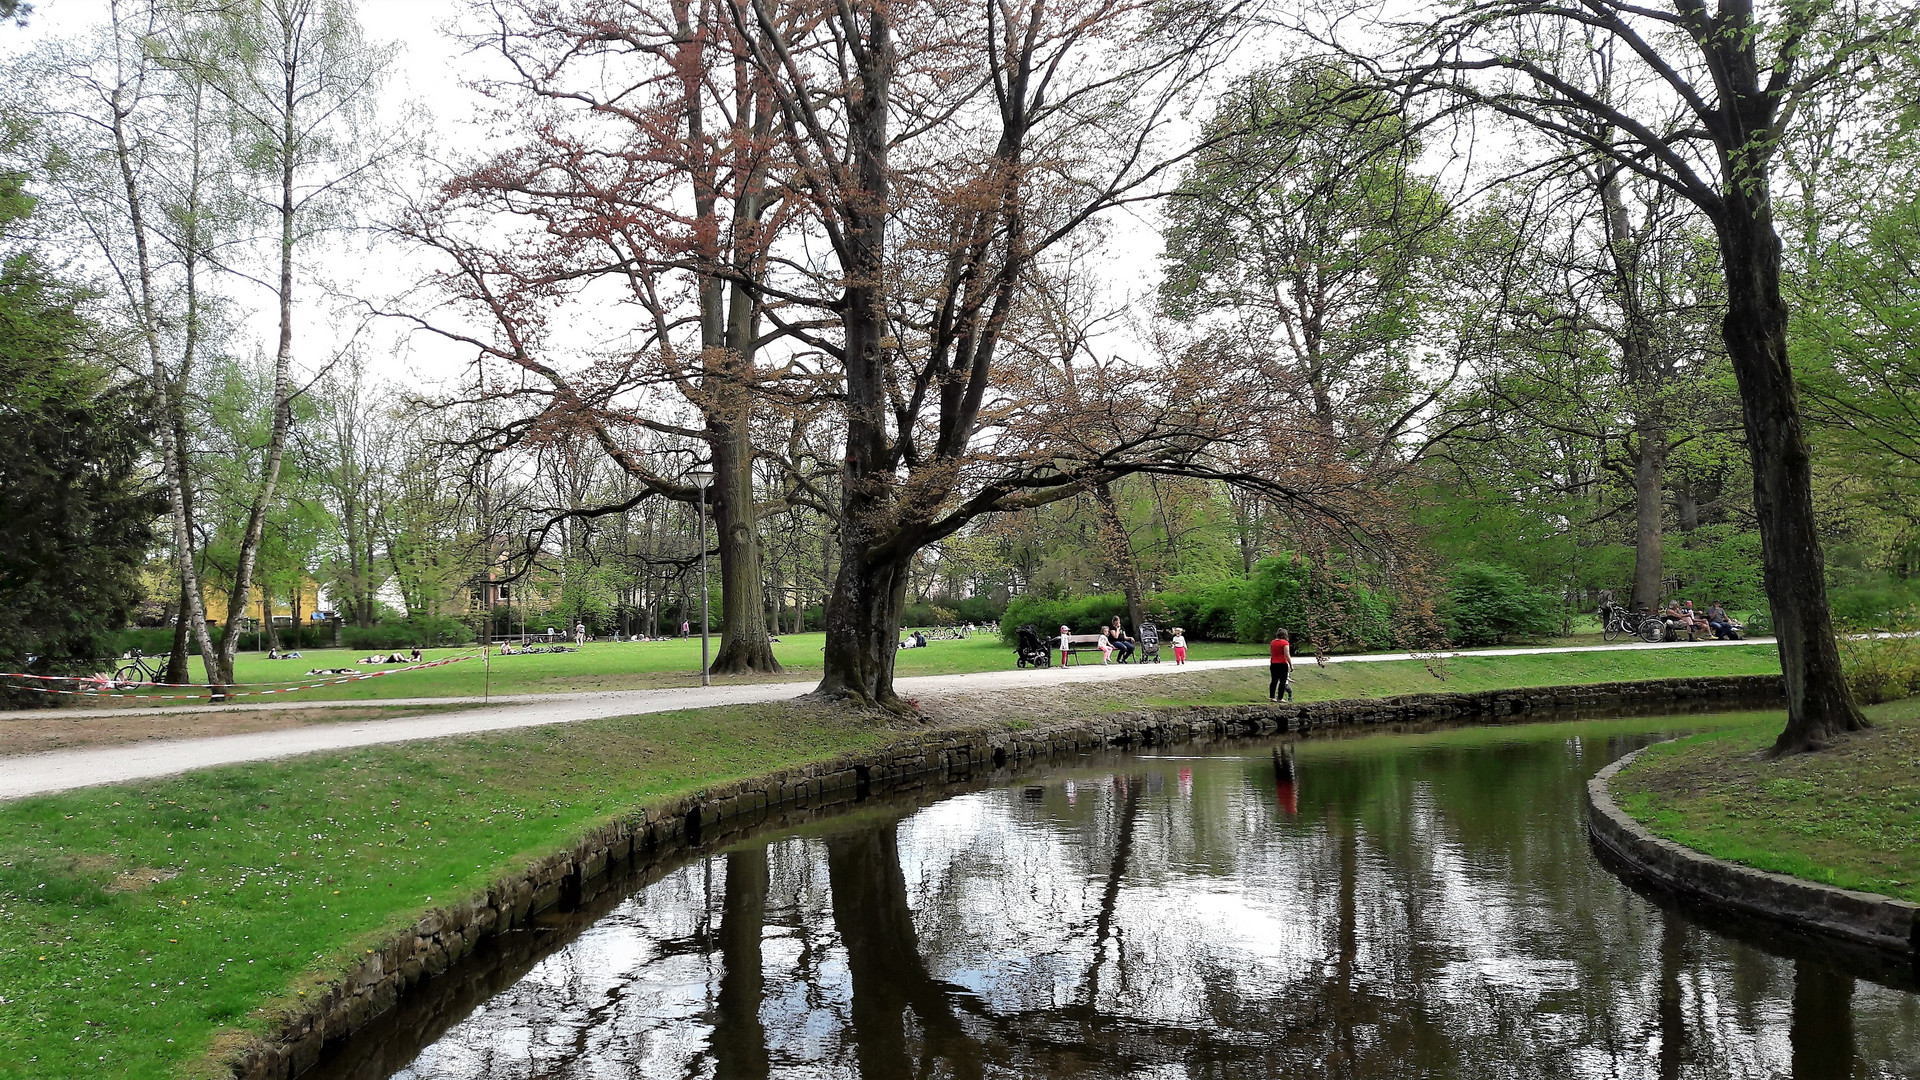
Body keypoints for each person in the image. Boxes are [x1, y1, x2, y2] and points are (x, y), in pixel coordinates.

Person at [1269, 628, 1293, 702]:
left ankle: (1272, 697)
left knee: (1274, 681)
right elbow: (1286, 654)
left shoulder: (1273, 642)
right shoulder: (1285, 643)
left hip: (1273, 663)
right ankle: (1280, 698)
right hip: (1282, 664)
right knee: (1282, 681)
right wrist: (1291, 664)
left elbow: (1271, 652)